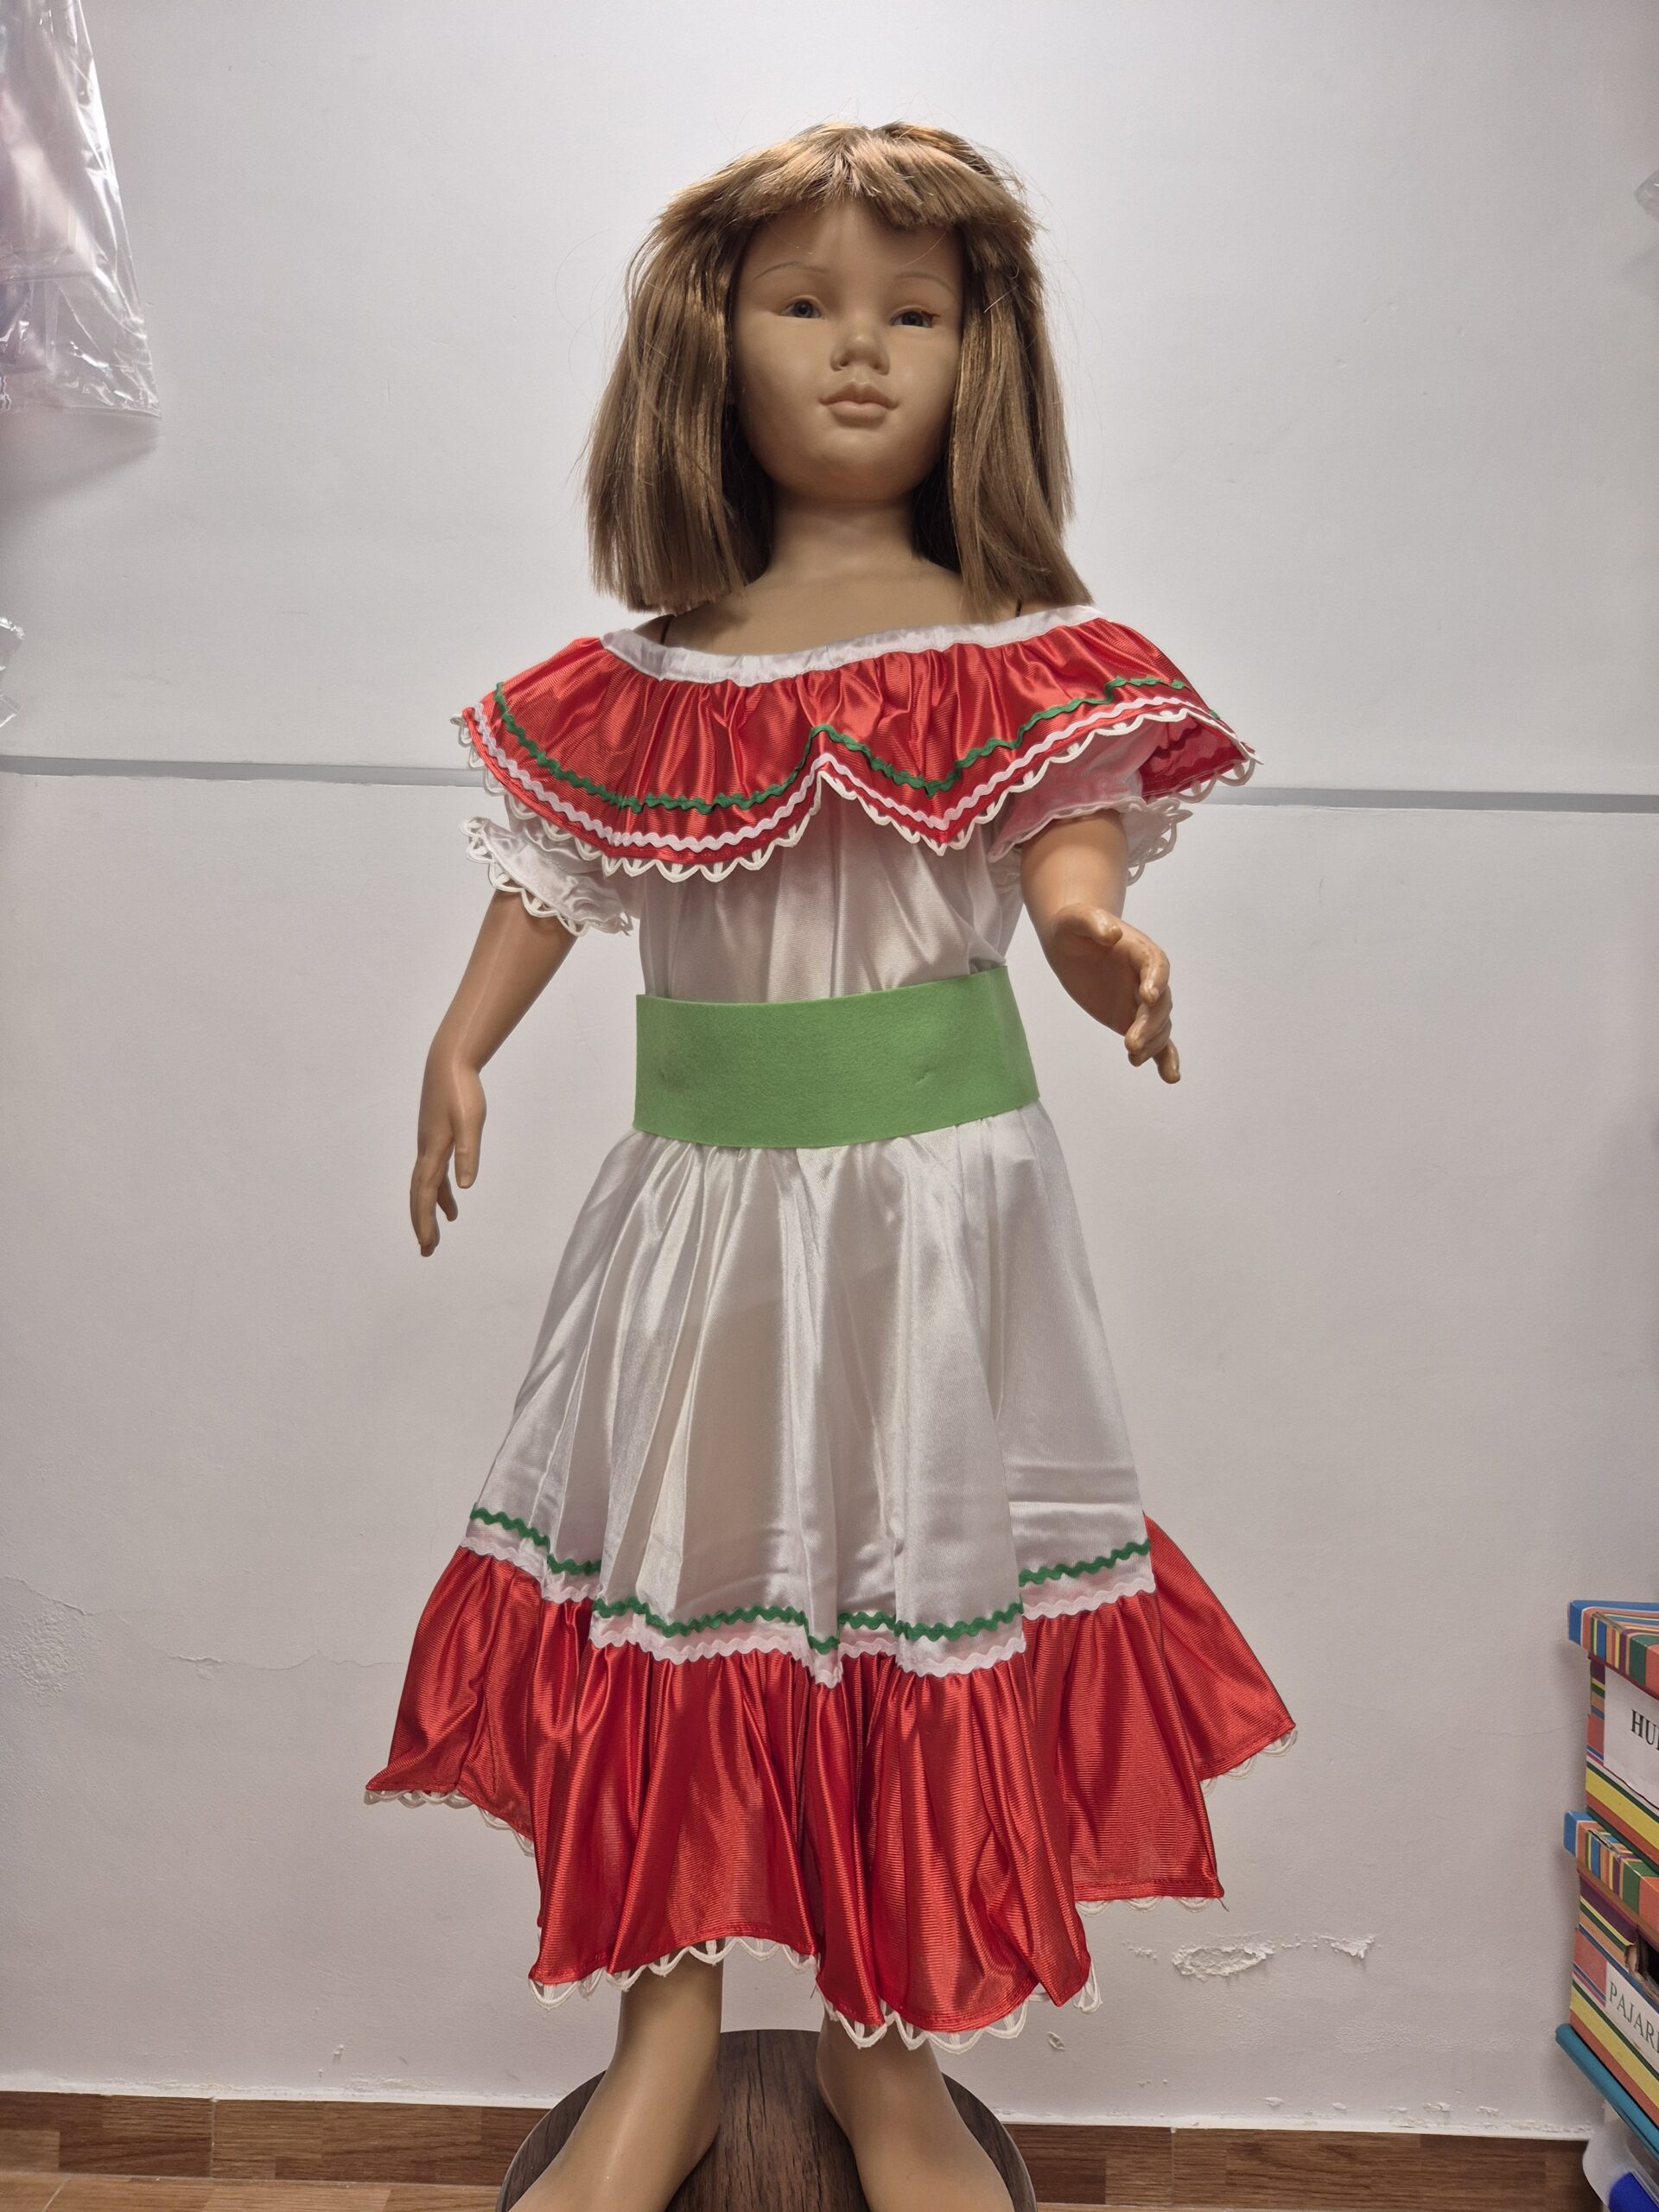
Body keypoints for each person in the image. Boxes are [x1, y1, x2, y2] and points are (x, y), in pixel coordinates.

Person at [365, 119, 1296, 2212]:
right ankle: (664, 2037)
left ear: (986, 351)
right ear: (714, 345)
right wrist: (459, 1037)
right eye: (805, 303)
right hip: (704, 1208)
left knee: (911, 1583)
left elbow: (1060, 838)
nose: (861, 349)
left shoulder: (1023, 653)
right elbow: (562, 864)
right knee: (684, 1583)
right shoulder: (649, 675)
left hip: (939, 1219)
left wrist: (1089, 932)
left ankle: (892, 2050)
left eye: (915, 312)